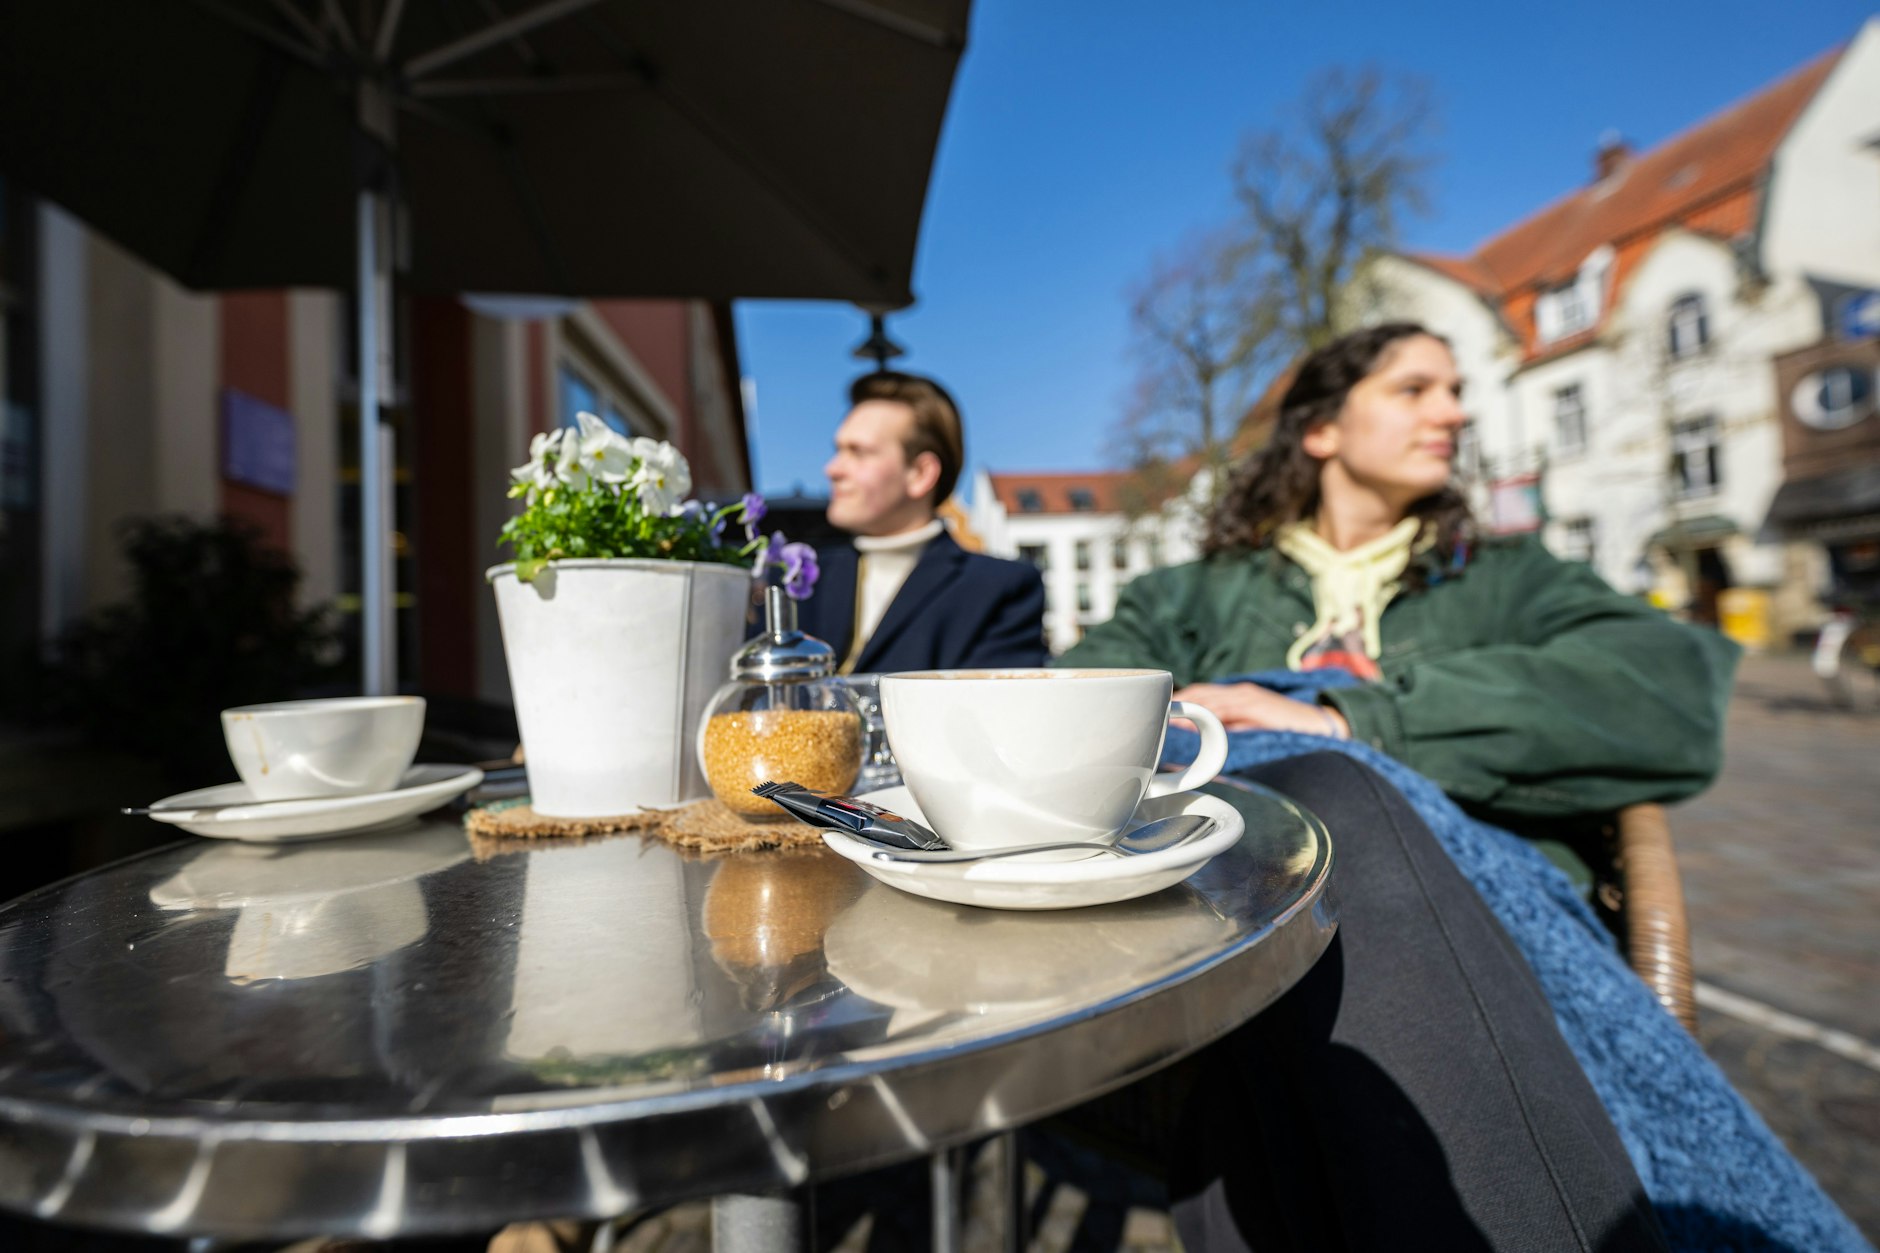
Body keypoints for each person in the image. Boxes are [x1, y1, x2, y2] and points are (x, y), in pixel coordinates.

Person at [1058, 323, 1755, 1252]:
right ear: (1322, 430)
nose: (1455, 411)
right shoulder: (1192, 597)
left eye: (1457, 390)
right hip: (1244, 937)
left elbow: (1668, 690)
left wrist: (1354, 721)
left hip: (1471, 913)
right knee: (1271, 945)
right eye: (1415, 389)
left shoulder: (1508, 578)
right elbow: (1072, 714)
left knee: (1333, 796)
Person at [796, 371, 1048, 673]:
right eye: (838, 450)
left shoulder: (998, 590)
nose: (833, 469)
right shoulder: (798, 580)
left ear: (920, 474)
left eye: (859, 453)